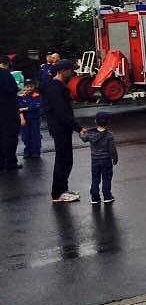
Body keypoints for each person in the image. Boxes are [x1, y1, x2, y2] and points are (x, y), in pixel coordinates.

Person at [41, 59, 83, 203]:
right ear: (62, 71)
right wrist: (78, 128)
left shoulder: (58, 85)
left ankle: (63, 189)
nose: (72, 73)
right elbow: (61, 112)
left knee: (67, 160)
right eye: (70, 70)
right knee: (62, 160)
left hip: (63, 128)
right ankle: (57, 194)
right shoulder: (54, 87)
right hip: (59, 128)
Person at [80, 112, 118, 204]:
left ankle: (95, 198)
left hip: (95, 160)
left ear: (95, 121)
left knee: (95, 179)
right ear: (107, 122)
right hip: (106, 160)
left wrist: (81, 133)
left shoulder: (91, 134)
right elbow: (112, 149)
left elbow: (84, 138)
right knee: (106, 178)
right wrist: (115, 158)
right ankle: (107, 196)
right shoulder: (109, 135)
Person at [0, 55, 22, 170]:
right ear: (8, 63)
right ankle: (10, 162)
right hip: (8, 111)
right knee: (10, 137)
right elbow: (11, 90)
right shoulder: (6, 75)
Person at [18, 79, 43, 159]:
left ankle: (35, 152)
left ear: (34, 86)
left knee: (35, 136)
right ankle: (27, 151)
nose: (29, 89)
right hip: (25, 119)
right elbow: (18, 107)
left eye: (31, 86)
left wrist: (24, 109)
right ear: (24, 87)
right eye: (27, 87)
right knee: (25, 136)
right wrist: (22, 118)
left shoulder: (37, 95)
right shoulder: (22, 96)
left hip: (34, 119)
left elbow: (35, 106)